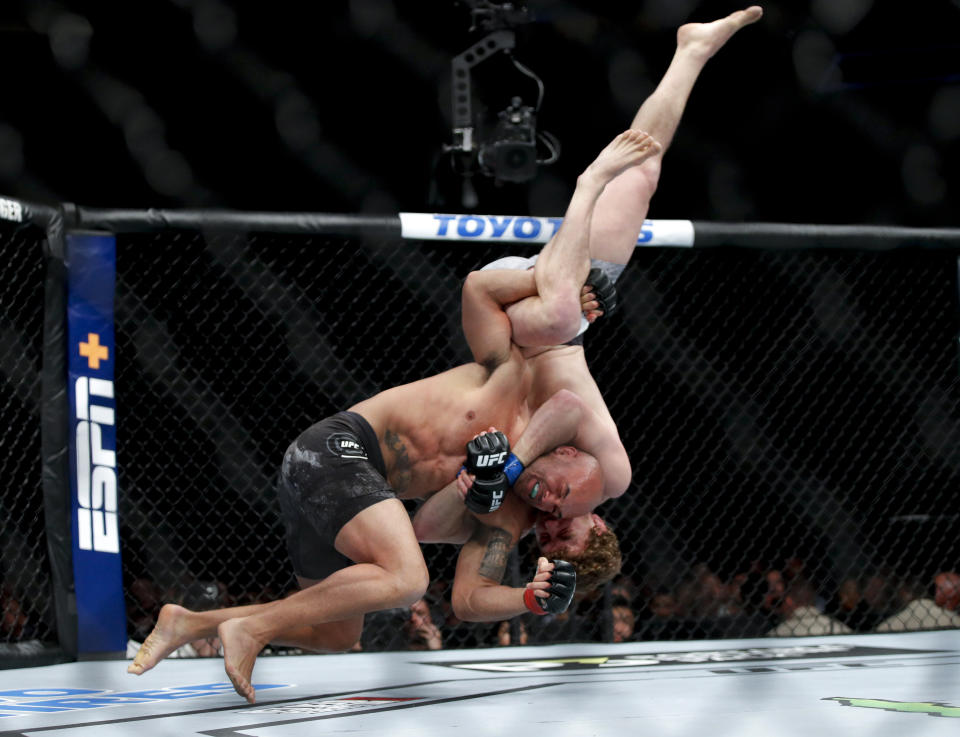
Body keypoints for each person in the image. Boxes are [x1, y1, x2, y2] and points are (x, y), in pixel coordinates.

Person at [127, 128, 656, 704]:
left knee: (334, 635)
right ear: (593, 512)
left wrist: (530, 596)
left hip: (350, 491)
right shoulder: (520, 378)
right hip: (337, 451)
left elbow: (469, 598)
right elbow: (554, 391)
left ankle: (192, 623)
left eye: (549, 537)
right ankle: (248, 628)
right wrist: (558, 280)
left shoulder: (510, 517)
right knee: (406, 581)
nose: (548, 518)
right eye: (564, 517)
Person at [470, 5, 765, 519]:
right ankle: (692, 51)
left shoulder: (514, 507)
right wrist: (513, 467)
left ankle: (586, 202)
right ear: (598, 525)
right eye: (567, 519)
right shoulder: (611, 476)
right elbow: (566, 408)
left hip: (517, 321)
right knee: (642, 173)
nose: (553, 510)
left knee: (565, 313)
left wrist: (508, 475)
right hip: (560, 311)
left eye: (552, 526)